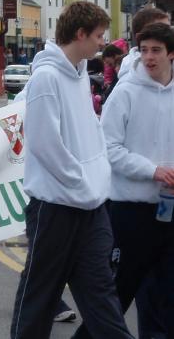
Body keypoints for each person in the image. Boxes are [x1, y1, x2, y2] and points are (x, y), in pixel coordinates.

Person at [10, 1, 133, 339]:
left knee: (102, 296)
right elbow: (46, 146)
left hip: (90, 207)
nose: (101, 43)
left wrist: (97, 181)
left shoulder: (79, 75)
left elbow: (88, 133)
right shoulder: (46, 78)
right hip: (56, 209)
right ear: (80, 34)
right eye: (97, 36)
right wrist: (82, 182)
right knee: (41, 296)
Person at [73, 23, 174, 339]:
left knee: (166, 298)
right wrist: (152, 170)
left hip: (169, 210)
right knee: (116, 296)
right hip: (130, 211)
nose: (149, 57)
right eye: (144, 50)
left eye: (156, 50)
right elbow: (108, 149)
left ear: (172, 54)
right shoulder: (126, 92)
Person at [119, 7, 170, 79]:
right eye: (161, 31)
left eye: (169, 30)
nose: (169, 35)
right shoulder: (127, 86)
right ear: (140, 37)